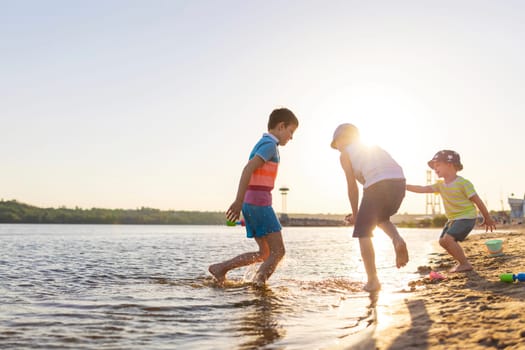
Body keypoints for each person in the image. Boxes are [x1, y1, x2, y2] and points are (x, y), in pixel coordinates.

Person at [208, 108, 299, 286]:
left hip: (252, 203)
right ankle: (259, 285)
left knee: (264, 253)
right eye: (291, 131)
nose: (291, 137)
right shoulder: (269, 145)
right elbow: (248, 169)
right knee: (278, 252)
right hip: (259, 204)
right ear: (281, 126)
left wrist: (242, 203)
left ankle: (221, 268)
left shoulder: (264, 143)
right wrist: (238, 201)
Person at [331, 123, 409, 292]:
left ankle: (373, 280)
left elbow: (352, 186)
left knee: (363, 231)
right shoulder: (372, 147)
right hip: (399, 183)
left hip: (377, 185)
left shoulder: (345, 154)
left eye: (335, 145)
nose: (337, 149)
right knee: (380, 218)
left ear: (341, 139)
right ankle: (397, 239)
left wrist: (356, 214)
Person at [406, 150, 496, 272]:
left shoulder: (463, 183)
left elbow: (478, 201)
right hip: (453, 219)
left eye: (437, 165)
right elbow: (422, 189)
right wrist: (405, 186)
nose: (435, 169)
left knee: (448, 239)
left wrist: (487, 217)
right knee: (442, 242)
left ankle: (465, 264)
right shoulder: (440, 185)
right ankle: (462, 262)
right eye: (433, 166)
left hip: (466, 217)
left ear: (450, 164)